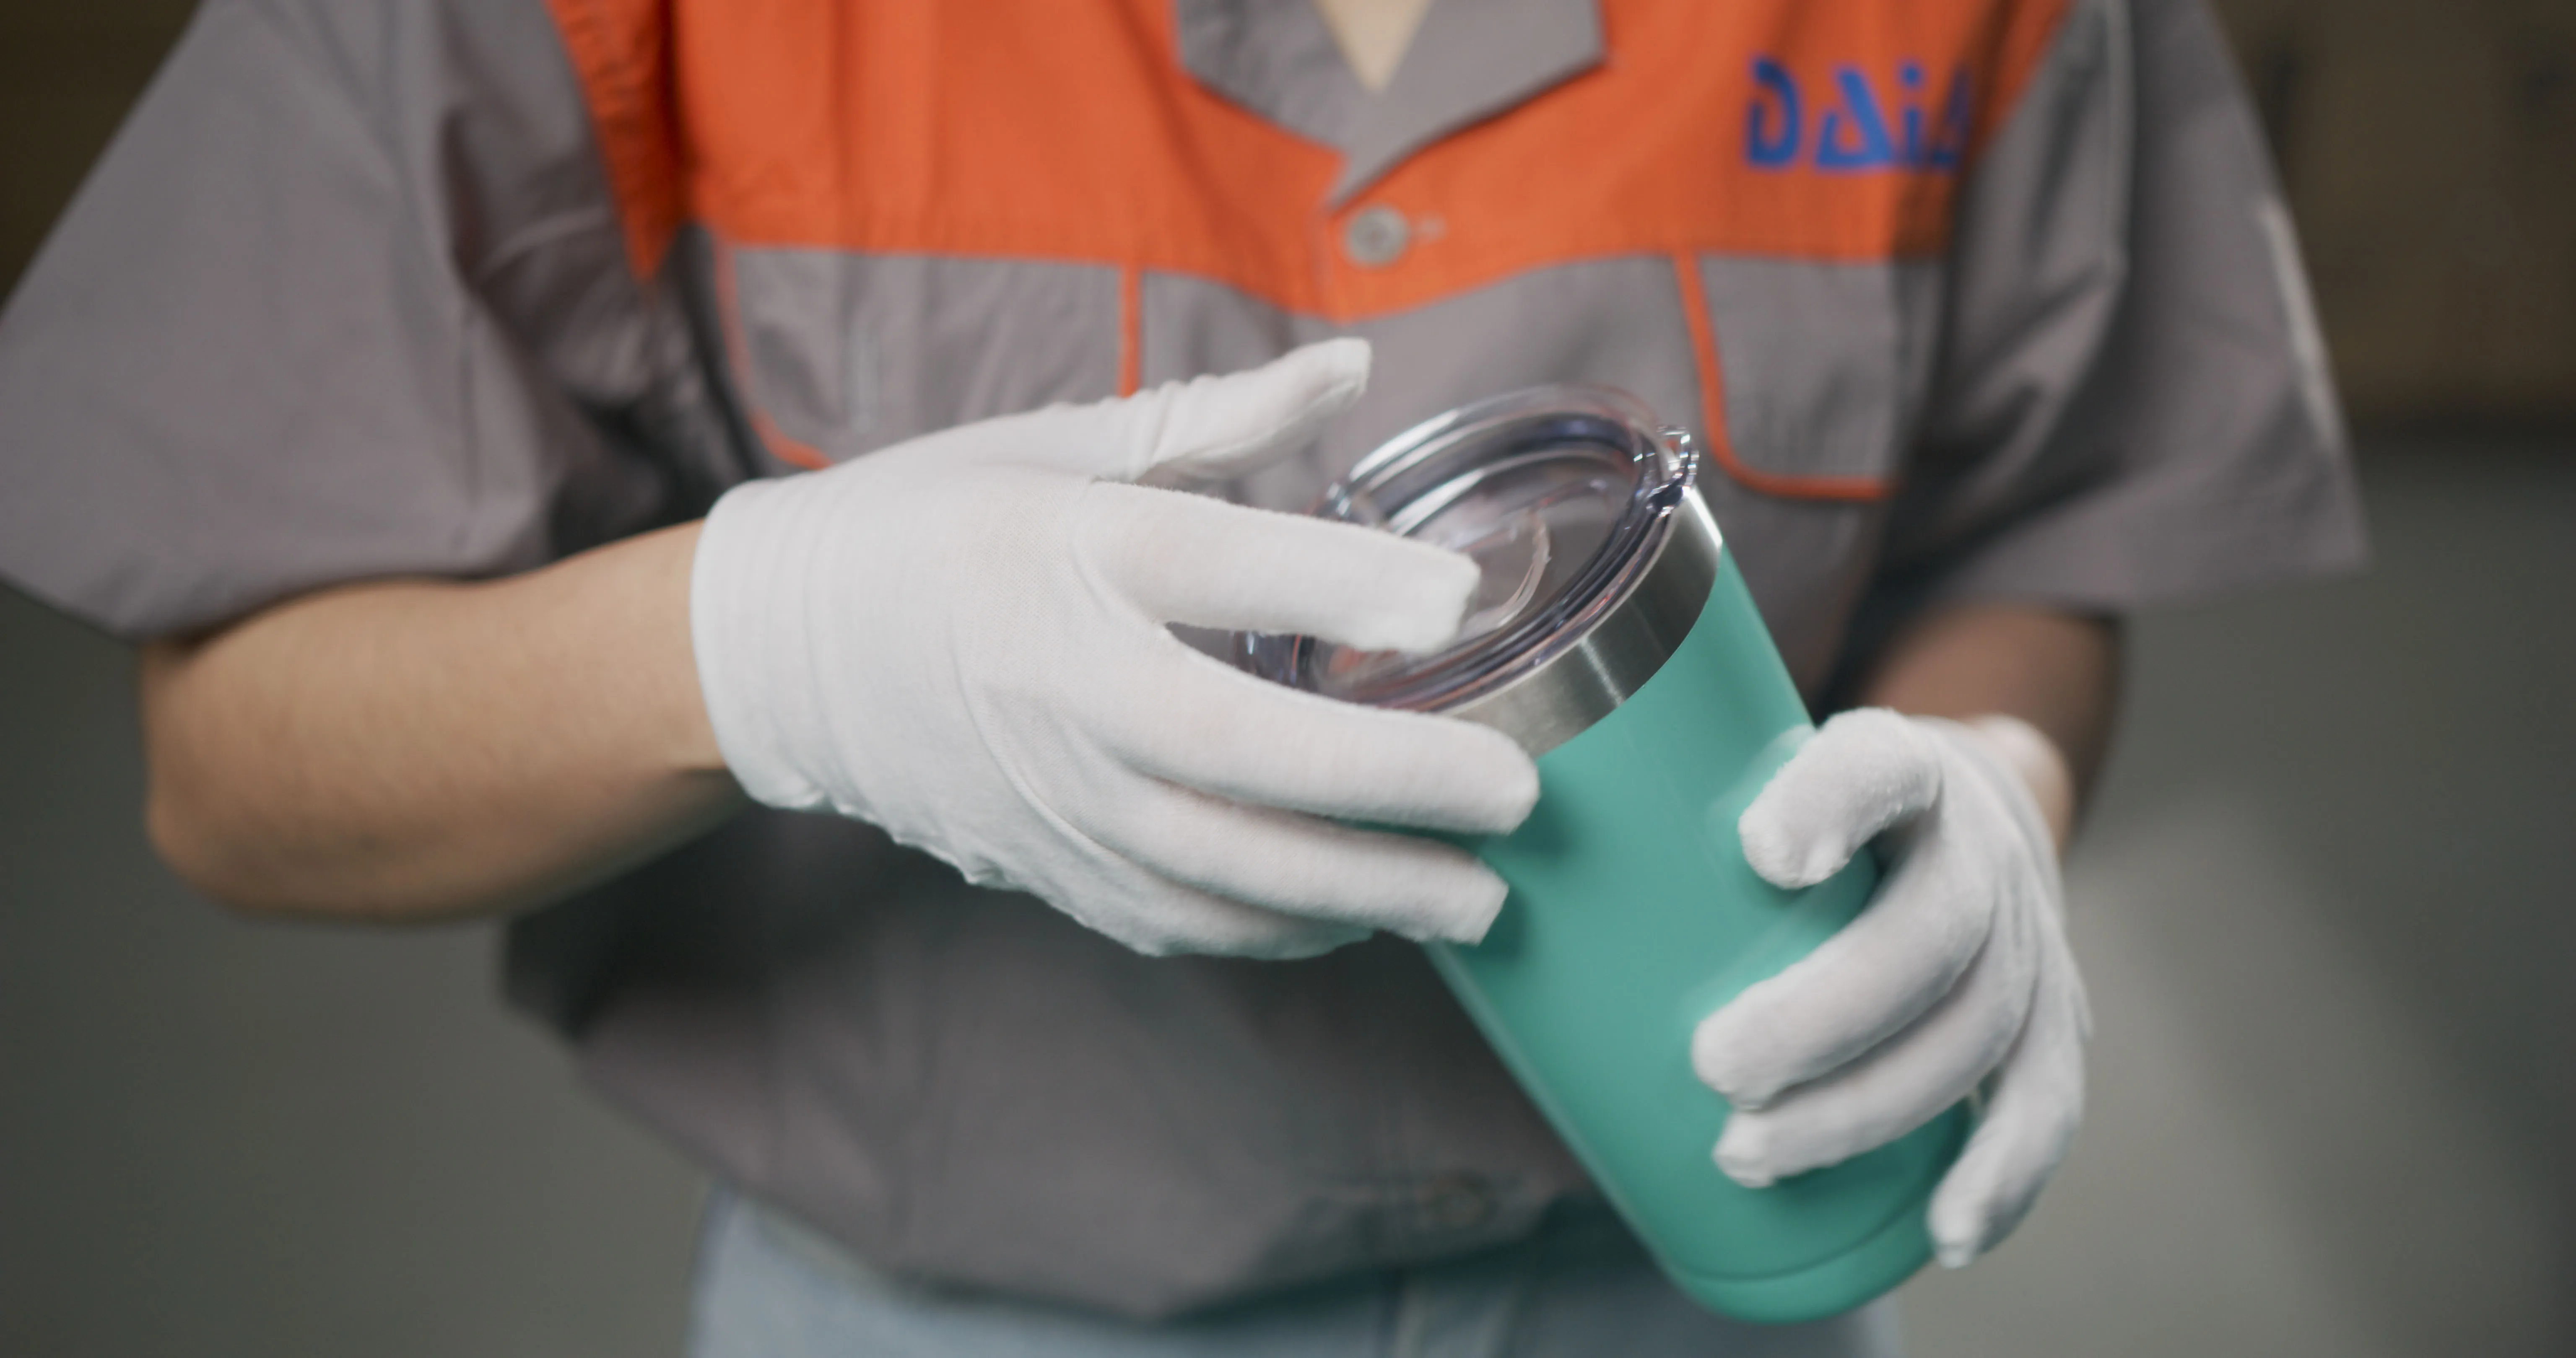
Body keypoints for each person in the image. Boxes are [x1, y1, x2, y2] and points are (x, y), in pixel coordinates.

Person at [0, 0, 2363, 1353]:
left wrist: (1993, 774)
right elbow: (234, 769)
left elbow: (2041, 529)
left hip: (1712, 1288)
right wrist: (775, 645)